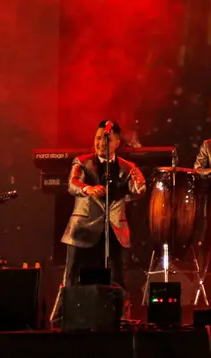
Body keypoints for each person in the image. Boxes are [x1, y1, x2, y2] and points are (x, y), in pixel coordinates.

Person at [49, 120, 145, 329]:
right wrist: (87, 189)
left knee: (117, 278)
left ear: (117, 142)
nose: (101, 142)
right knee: (73, 277)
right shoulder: (82, 162)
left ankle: (117, 318)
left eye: (106, 139)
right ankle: (63, 320)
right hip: (83, 229)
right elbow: (73, 184)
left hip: (114, 230)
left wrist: (139, 185)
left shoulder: (127, 167)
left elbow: (137, 189)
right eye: (98, 138)